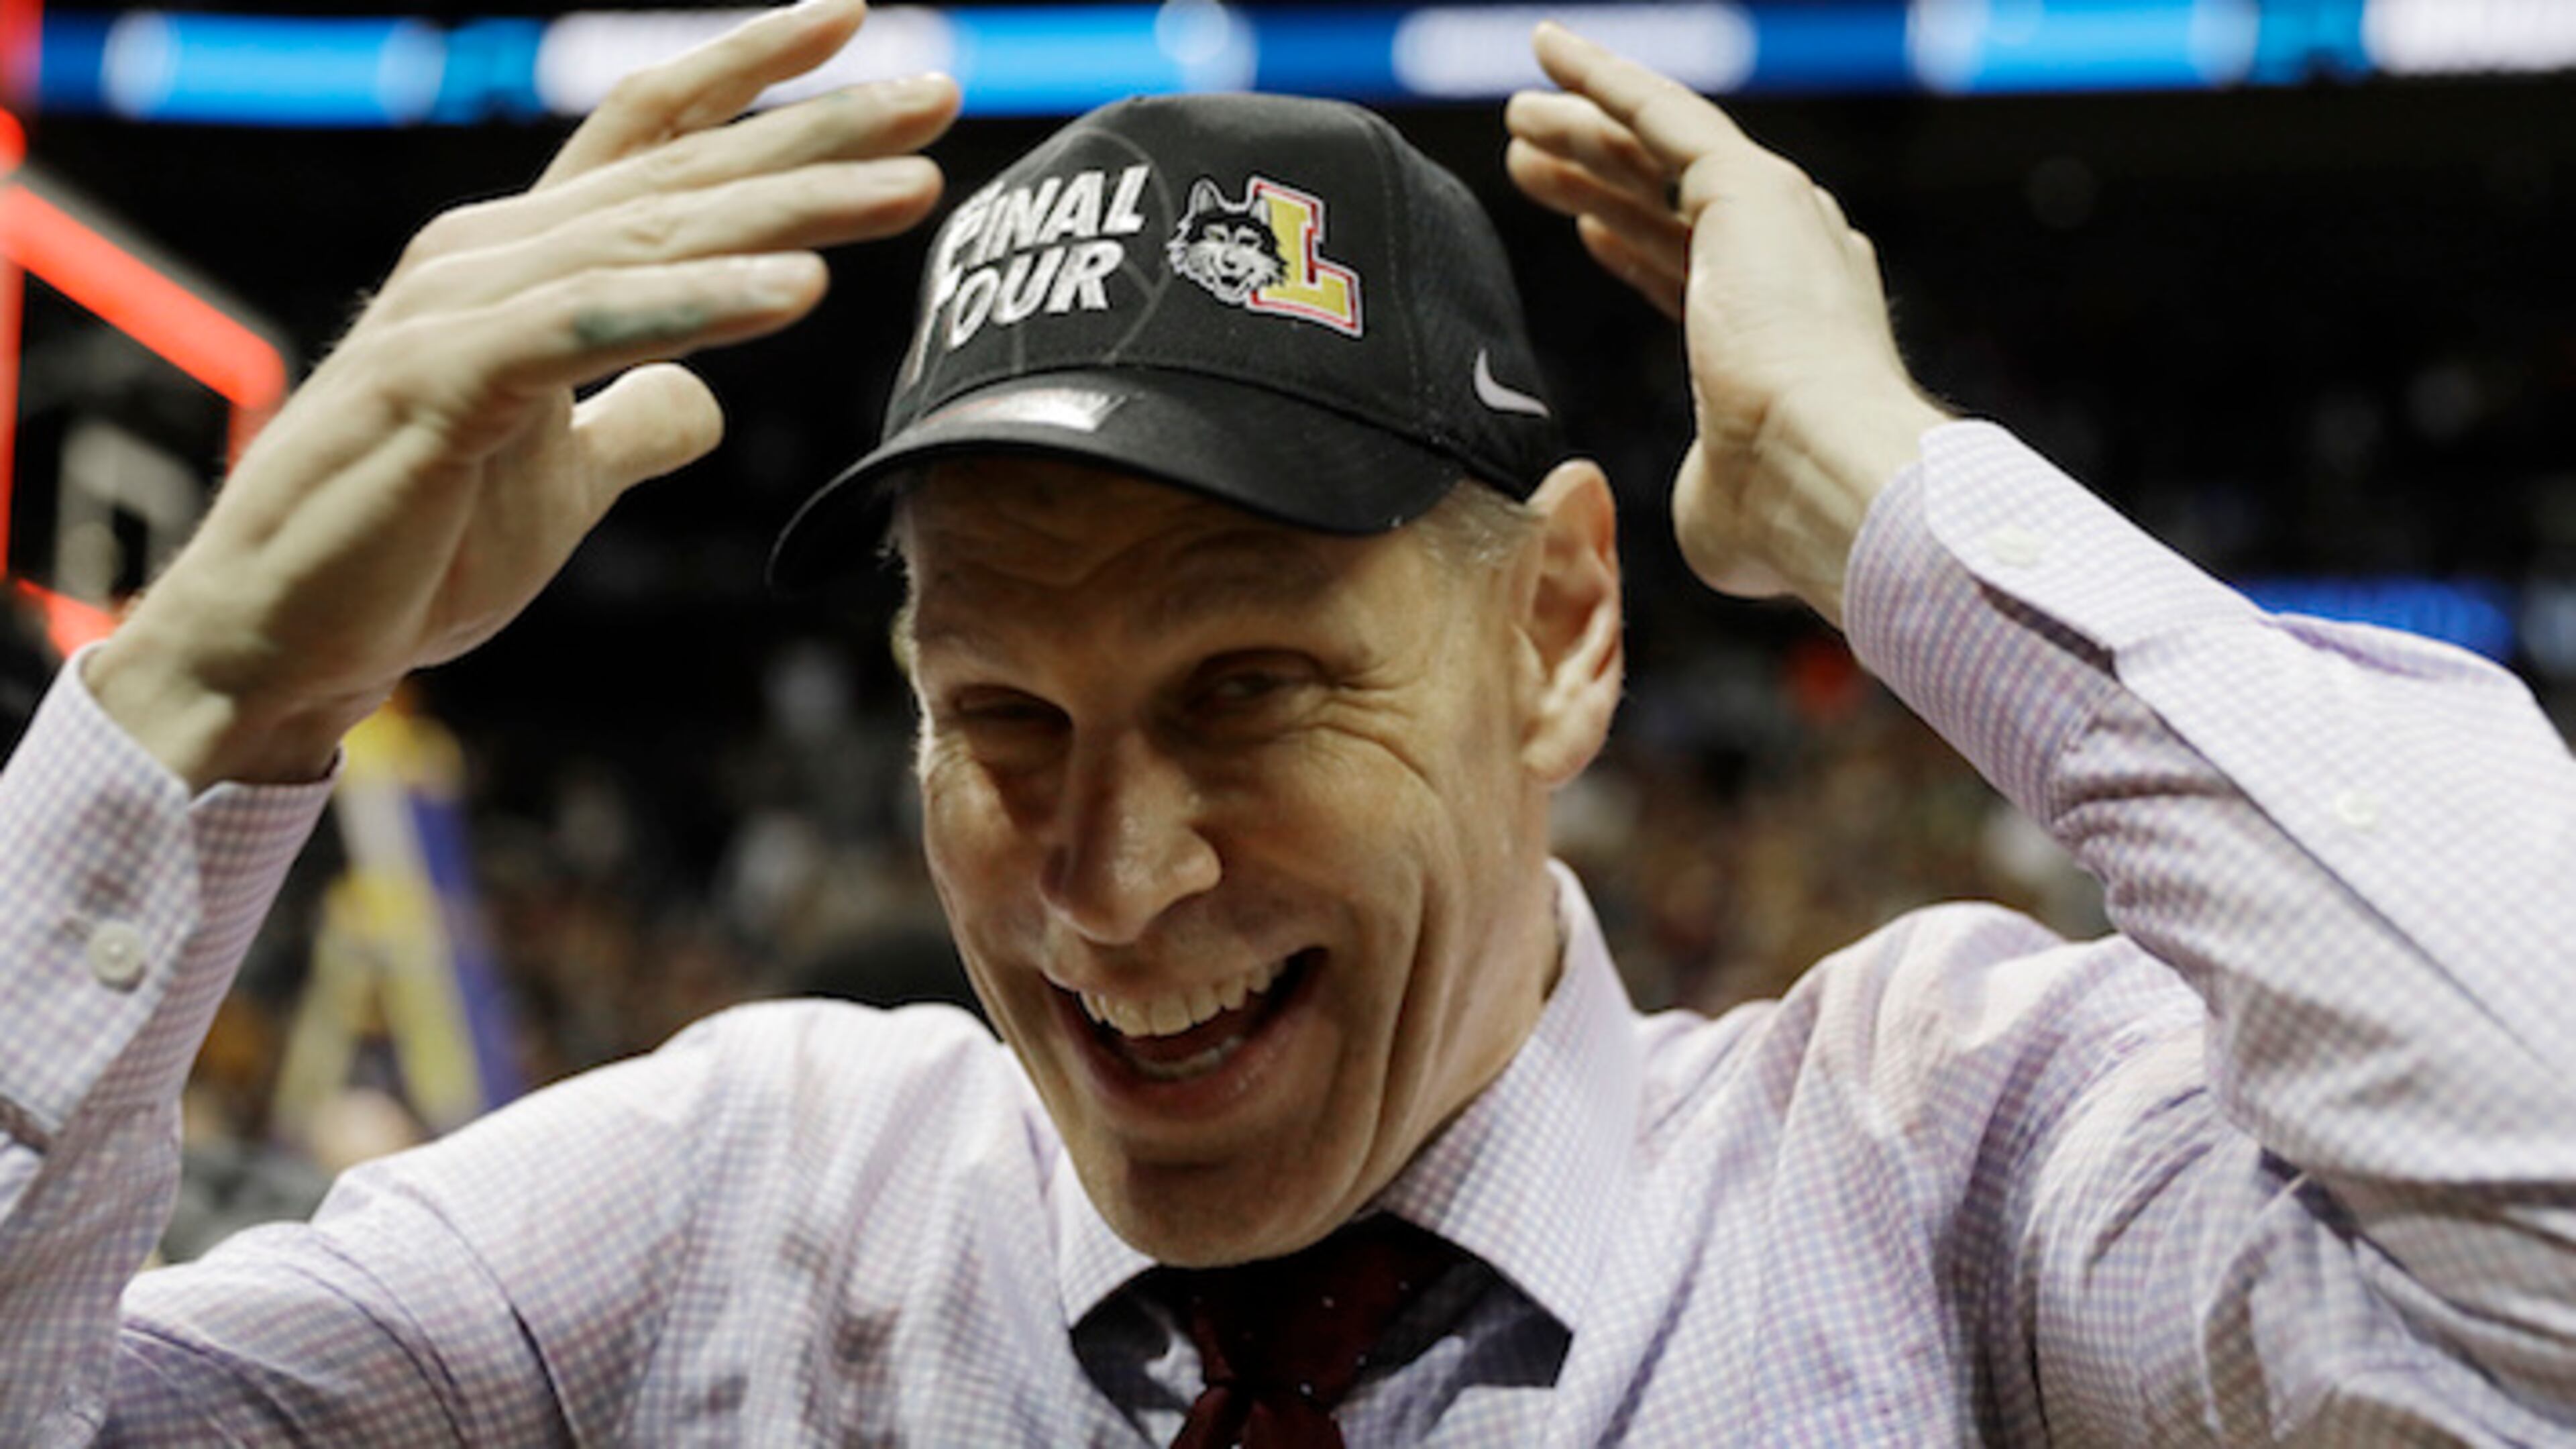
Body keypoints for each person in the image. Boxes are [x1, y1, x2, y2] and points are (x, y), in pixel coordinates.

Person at [3, 1, 2570, 1442]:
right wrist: (211, 697)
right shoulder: (719, 1216)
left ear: (1561, 627)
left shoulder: (1940, 1178)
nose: (1111, 884)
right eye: (1003, 718)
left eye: (1248, 691)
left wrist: (1887, 493)